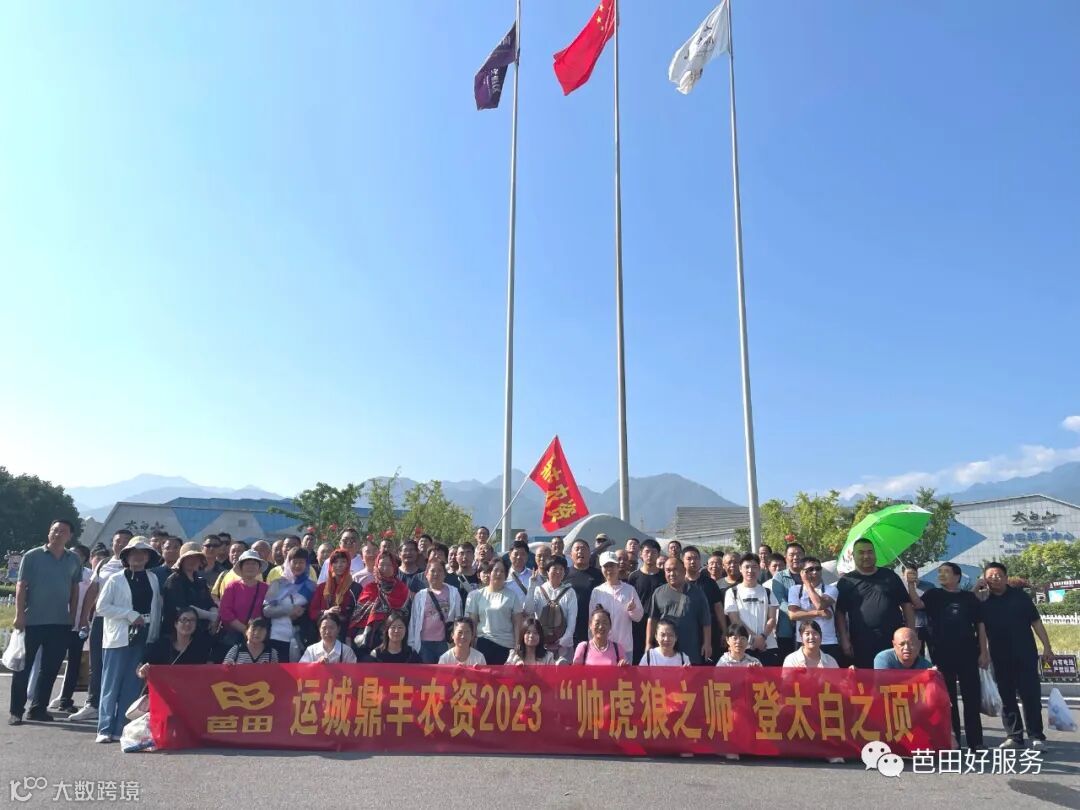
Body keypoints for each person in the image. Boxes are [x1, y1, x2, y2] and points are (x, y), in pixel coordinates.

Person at [8, 519, 83, 727]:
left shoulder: (73, 559)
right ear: (49, 532)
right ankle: (16, 711)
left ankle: (38, 709)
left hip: (60, 622)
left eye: (63, 531)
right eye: (54, 530)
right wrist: (19, 615)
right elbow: (21, 586)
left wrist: (72, 615)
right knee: (23, 668)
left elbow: (75, 588)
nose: (57, 534)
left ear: (70, 536)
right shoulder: (32, 556)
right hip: (32, 621)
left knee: (50, 669)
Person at [904, 563, 987, 750]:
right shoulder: (934, 595)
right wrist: (910, 584)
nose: (941, 575)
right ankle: (952, 739)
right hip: (941, 654)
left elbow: (980, 625)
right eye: (940, 572)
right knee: (947, 700)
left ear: (957, 576)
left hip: (968, 654)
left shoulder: (969, 598)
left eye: (946, 572)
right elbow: (917, 603)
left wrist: (984, 652)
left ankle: (976, 741)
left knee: (971, 698)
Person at [978, 561, 1054, 749]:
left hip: (1025, 654)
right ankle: (1014, 736)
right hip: (999, 657)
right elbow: (981, 630)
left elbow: (1036, 622)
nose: (995, 578)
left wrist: (1047, 647)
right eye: (990, 576)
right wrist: (984, 653)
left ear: (1006, 577)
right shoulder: (983, 601)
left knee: (1030, 696)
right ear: (985, 580)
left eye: (998, 575)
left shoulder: (1020, 597)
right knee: (1006, 697)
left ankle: (1036, 736)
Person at [94, 537, 163, 743]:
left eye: (143, 553)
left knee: (132, 683)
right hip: (119, 636)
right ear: (126, 556)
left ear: (149, 557)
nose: (138, 556)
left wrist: (153, 633)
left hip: (143, 634)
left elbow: (156, 607)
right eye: (134, 552)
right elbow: (101, 607)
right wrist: (129, 614)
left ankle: (121, 727)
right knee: (111, 683)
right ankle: (104, 728)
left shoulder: (153, 578)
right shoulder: (115, 579)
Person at [69, 529, 133, 723]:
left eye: (126, 541)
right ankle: (93, 704)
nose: (121, 544)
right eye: (118, 540)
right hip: (100, 619)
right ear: (112, 543)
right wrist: (84, 618)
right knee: (96, 663)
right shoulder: (104, 563)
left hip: (123, 621)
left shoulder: (135, 565)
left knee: (119, 665)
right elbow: (93, 590)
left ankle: (117, 706)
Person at [835, 538, 914, 669]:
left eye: (870, 552)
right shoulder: (846, 581)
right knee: (867, 678)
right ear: (853, 556)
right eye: (861, 552)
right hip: (862, 641)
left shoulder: (890, 576)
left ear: (875, 554)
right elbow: (840, 613)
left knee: (895, 677)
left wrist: (911, 633)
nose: (866, 556)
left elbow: (906, 605)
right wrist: (844, 639)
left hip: (893, 640)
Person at [46, 543, 93, 713]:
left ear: (84, 559)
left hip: (79, 625)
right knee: (52, 663)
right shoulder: (59, 571)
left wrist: (85, 621)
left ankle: (66, 699)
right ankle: (42, 699)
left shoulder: (89, 576)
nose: (72, 557)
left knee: (74, 665)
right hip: (58, 624)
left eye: (77, 555)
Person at [646, 557, 712, 664]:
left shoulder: (697, 593)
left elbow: (706, 621)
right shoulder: (658, 592)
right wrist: (648, 643)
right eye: (668, 570)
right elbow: (652, 619)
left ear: (684, 571)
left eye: (675, 569)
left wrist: (707, 643)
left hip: (690, 646)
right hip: (665, 646)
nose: (672, 574)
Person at [465, 560, 524, 665]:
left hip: (506, 645)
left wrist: (517, 644)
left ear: (506, 575)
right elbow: (473, 623)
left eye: (502, 571)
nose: (499, 573)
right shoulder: (477, 595)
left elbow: (517, 623)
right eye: (496, 570)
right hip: (483, 643)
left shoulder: (512, 596)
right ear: (489, 572)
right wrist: (471, 644)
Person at [724, 554, 780, 666]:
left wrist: (763, 637)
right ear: (740, 569)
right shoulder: (732, 592)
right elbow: (735, 619)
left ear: (759, 569)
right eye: (747, 567)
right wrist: (754, 639)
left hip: (767, 645)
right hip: (744, 646)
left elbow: (772, 619)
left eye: (754, 567)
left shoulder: (767, 592)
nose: (750, 570)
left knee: (769, 677)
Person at [263, 547, 316, 662]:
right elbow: (266, 610)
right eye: (294, 562)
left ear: (307, 564)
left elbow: (314, 610)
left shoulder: (311, 586)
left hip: (301, 638)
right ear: (288, 563)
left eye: (301, 562)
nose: (297, 565)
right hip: (277, 636)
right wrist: (288, 610)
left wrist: (303, 611)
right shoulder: (277, 584)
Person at [352, 552, 410, 653]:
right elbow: (358, 614)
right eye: (382, 564)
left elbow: (405, 613)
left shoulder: (402, 589)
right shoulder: (369, 588)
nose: (385, 568)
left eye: (389, 565)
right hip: (367, 640)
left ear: (394, 567)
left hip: (394, 637)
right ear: (376, 566)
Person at [786, 556, 841, 662]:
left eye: (818, 569)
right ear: (802, 572)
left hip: (827, 642)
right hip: (804, 641)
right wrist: (818, 613)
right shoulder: (795, 590)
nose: (815, 572)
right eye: (810, 569)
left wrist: (808, 585)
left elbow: (820, 604)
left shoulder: (831, 589)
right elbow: (793, 615)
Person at [409, 558, 463, 663]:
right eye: (432, 571)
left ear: (445, 574)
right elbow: (414, 621)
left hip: (445, 642)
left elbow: (458, 617)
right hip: (424, 643)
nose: (436, 574)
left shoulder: (454, 592)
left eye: (440, 571)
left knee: (444, 672)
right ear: (426, 574)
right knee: (426, 672)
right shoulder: (420, 595)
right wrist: (411, 643)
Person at [588, 552, 642, 658]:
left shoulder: (629, 590)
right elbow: (591, 621)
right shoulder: (597, 591)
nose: (609, 569)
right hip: (602, 647)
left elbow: (638, 617)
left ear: (617, 567)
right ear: (601, 569)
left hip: (624, 647)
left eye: (612, 566)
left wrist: (633, 609)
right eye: (605, 566)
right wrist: (592, 645)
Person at [162, 542, 218, 643]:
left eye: (196, 558)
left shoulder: (201, 581)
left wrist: (214, 618)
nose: (192, 561)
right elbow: (183, 608)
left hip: (201, 632)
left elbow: (210, 603)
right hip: (178, 635)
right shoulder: (174, 581)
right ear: (182, 560)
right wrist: (210, 616)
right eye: (189, 557)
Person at [137, 607, 212, 679]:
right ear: (176, 624)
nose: (187, 623)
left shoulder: (201, 649)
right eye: (184, 619)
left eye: (192, 620)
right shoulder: (162, 645)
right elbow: (140, 669)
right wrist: (142, 672)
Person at [529, 555, 577, 663]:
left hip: (564, 646)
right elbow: (528, 610)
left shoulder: (570, 592)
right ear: (547, 571)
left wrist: (562, 641)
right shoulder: (538, 590)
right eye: (554, 568)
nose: (558, 572)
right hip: (541, 645)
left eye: (561, 569)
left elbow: (572, 620)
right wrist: (531, 586)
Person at [218, 550, 270, 650]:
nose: (251, 566)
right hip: (234, 636)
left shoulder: (266, 588)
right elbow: (225, 611)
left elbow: (268, 611)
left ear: (259, 567)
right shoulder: (232, 587)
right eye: (247, 563)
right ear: (241, 567)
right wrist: (244, 629)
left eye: (254, 564)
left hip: (258, 637)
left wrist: (255, 631)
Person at [683, 546, 726, 658]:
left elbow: (718, 608)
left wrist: (724, 631)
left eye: (696, 558)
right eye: (689, 559)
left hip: (710, 632)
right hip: (686, 633)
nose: (693, 561)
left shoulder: (710, 583)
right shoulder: (679, 584)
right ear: (683, 561)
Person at [628, 539, 665, 664]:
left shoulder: (664, 576)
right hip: (638, 625)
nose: (650, 555)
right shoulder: (633, 577)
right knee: (638, 659)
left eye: (653, 552)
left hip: (660, 624)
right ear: (640, 554)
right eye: (647, 552)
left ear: (658, 555)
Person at [769, 542, 805, 661]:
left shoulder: (811, 574)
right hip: (786, 629)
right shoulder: (779, 577)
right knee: (788, 662)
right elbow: (780, 601)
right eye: (792, 554)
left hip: (809, 628)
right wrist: (798, 614)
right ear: (786, 558)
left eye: (799, 554)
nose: (795, 557)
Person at [564, 539, 604, 647]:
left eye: (583, 549)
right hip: (569, 626)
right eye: (577, 549)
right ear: (570, 554)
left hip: (592, 625)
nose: (580, 552)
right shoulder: (565, 574)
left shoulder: (599, 575)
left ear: (589, 553)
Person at [308, 549, 361, 627]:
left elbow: (358, 615)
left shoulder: (355, 588)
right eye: (335, 562)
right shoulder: (322, 587)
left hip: (345, 630)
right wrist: (326, 612)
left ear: (348, 564)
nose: (339, 565)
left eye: (343, 561)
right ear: (331, 565)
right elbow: (312, 612)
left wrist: (342, 617)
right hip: (323, 629)